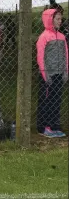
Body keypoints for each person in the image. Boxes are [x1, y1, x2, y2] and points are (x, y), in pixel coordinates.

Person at [36, 9, 68, 138]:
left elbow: (66, 54)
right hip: (48, 75)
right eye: (57, 19)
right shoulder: (44, 37)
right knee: (46, 101)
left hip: (60, 74)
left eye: (61, 19)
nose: (60, 21)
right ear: (50, 19)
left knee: (56, 100)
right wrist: (45, 74)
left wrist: (66, 71)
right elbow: (40, 56)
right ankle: (43, 127)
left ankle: (54, 126)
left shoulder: (62, 37)